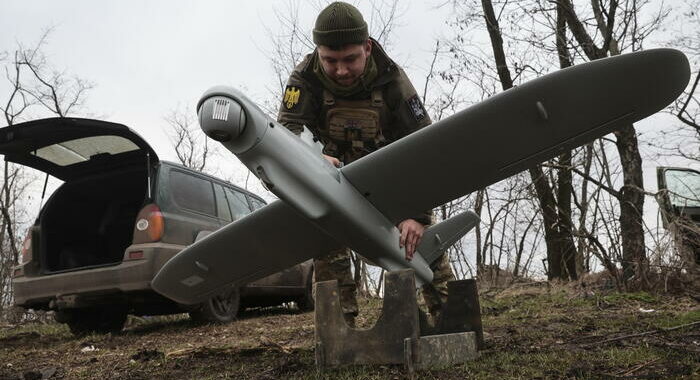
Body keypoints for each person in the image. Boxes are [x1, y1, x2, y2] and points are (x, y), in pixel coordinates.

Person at [277, 1, 454, 326]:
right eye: (330, 61)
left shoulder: (392, 81)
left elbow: (427, 146)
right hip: (333, 182)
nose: (341, 70)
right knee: (326, 247)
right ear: (318, 52)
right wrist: (312, 160)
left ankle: (453, 320)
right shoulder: (304, 80)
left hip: (390, 181)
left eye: (350, 59)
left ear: (367, 48)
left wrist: (417, 216)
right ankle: (339, 333)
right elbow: (285, 133)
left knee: (423, 246)